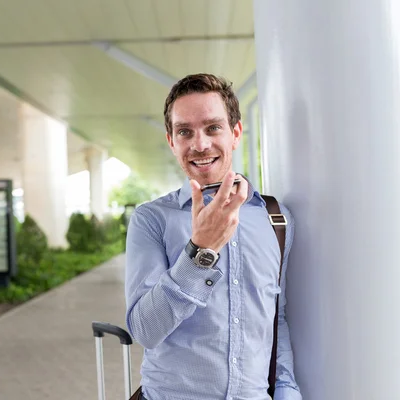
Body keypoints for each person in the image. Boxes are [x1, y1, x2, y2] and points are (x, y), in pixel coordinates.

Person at [124, 73, 302, 400]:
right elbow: (146, 331)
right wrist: (201, 250)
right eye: (185, 132)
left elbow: (277, 319)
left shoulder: (275, 220)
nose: (200, 144)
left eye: (213, 127)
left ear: (235, 133)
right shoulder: (151, 220)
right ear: (171, 141)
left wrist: (288, 392)